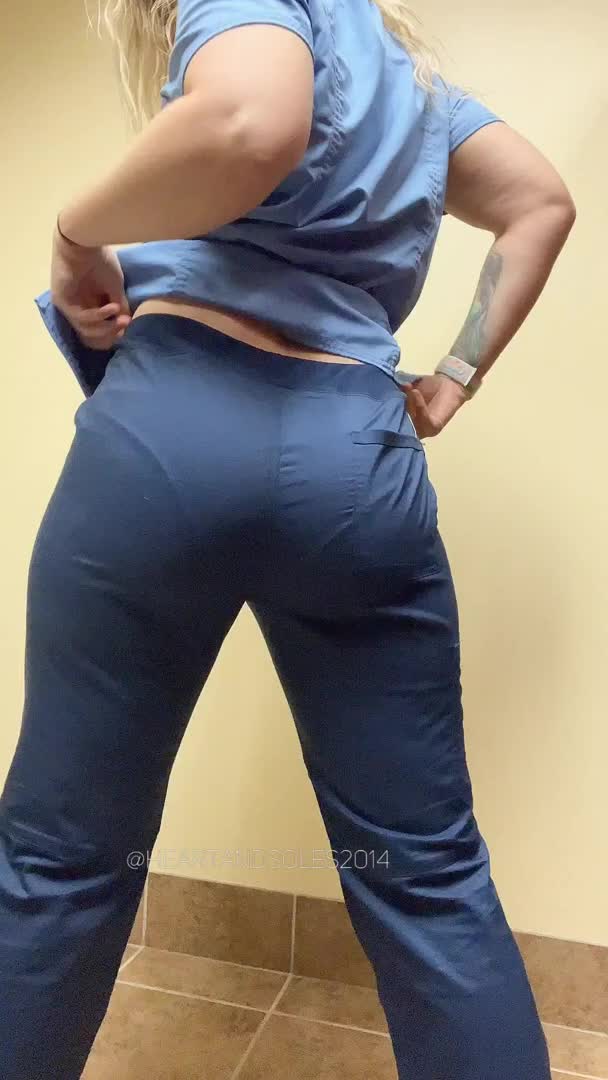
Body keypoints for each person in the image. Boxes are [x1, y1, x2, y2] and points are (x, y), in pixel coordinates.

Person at [1, 1, 576, 1077]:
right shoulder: (414, 89)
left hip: (173, 430)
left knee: (62, 862)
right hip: (354, 456)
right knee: (428, 872)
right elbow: (541, 202)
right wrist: (454, 375)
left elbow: (249, 124)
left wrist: (77, 234)